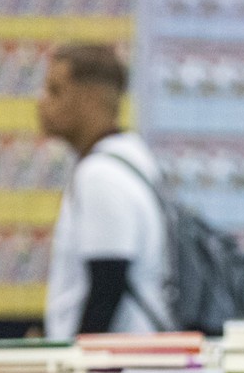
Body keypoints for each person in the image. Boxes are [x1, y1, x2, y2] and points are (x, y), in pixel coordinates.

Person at [41, 44, 170, 338]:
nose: (42, 103)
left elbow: (106, 286)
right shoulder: (132, 157)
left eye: (55, 90)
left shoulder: (100, 175)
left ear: (90, 99)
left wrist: (78, 363)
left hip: (116, 366)